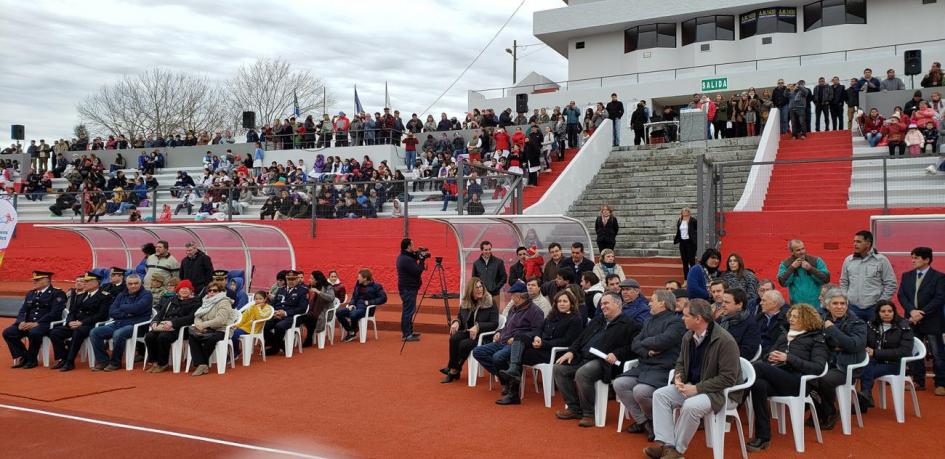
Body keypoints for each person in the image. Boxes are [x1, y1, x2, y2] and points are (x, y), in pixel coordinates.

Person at [646, 299, 741, 459]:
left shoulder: (725, 341)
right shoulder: (688, 336)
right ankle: (667, 445)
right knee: (660, 395)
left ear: (698, 319)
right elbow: (681, 363)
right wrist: (678, 378)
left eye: (685, 315)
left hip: (721, 394)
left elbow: (728, 379)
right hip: (695, 387)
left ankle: (677, 451)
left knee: (690, 406)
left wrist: (697, 388)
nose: (682, 318)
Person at [746, 304, 829, 452]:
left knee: (758, 367)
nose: (791, 319)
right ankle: (763, 437)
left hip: (800, 383)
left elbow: (818, 368)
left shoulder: (816, 339)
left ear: (807, 319)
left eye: (796, 316)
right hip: (779, 377)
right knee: (758, 384)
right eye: (791, 316)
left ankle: (735, 397)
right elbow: (767, 354)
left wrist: (789, 358)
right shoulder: (784, 335)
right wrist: (770, 357)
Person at [553, 292, 640, 426]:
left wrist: (617, 354)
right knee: (559, 368)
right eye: (601, 304)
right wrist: (571, 351)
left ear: (617, 304)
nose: (602, 306)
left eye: (606, 303)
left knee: (583, 373)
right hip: (583, 357)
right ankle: (573, 408)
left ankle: (589, 413)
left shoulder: (630, 324)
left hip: (605, 363)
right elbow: (581, 338)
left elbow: (634, 347)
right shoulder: (598, 320)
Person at [613, 290, 685, 440]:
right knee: (619, 383)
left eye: (652, 300)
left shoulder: (676, 322)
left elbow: (664, 340)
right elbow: (635, 343)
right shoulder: (648, 320)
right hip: (645, 365)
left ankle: (655, 421)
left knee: (641, 391)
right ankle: (646, 422)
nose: (649, 303)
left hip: (663, 368)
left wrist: (644, 342)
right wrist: (648, 351)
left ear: (662, 303)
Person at [471, 281, 544, 404]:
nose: (511, 297)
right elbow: (507, 326)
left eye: (512, 295)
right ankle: (505, 380)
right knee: (478, 352)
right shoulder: (514, 309)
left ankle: (509, 386)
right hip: (502, 341)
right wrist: (499, 331)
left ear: (518, 297)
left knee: (497, 357)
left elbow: (537, 333)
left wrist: (516, 338)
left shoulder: (535, 311)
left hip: (517, 345)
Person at [810, 289, 867, 430]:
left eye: (843, 303)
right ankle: (819, 410)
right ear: (827, 305)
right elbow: (815, 341)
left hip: (847, 366)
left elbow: (853, 346)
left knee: (823, 380)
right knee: (805, 377)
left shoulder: (857, 323)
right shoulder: (820, 319)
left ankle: (829, 413)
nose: (840, 306)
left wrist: (832, 329)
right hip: (826, 362)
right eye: (835, 303)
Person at [897, 246, 945, 393]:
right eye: (912, 257)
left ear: (927, 260)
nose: (913, 261)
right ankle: (918, 380)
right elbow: (902, 295)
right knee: (915, 351)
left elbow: (940, 297)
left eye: (916, 258)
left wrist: (922, 313)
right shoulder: (907, 275)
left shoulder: (939, 277)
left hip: (932, 320)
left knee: (937, 353)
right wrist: (912, 311)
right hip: (912, 319)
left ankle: (941, 383)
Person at [47, 272, 112, 372]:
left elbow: (101, 315)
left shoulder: (104, 296)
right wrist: (69, 322)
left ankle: (70, 361)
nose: (84, 283)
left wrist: (82, 322)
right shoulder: (82, 294)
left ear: (96, 283)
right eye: (84, 281)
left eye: (87, 281)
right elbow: (72, 311)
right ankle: (63, 358)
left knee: (78, 332)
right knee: (54, 332)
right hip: (75, 323)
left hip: (90, 325)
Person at [89, 274, 153, 371]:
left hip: (136, 326)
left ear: (141, 283)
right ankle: (103, 361)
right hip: (118, 323)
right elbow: (112, 311)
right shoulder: (121, 295)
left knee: (118, 334)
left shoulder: (147, 294)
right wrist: (128, 313)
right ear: (126, 284)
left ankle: (115, 362)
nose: (133, 286)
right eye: (130, 284)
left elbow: (137, 308)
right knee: (95, 332)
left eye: (136, 283)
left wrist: (122, 307)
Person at [4, 271, 67, 369]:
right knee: (8, 332)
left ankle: (32, 360)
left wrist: (37, 323)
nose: (34, 281)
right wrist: (21, 322)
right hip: (28, 323)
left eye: (37, 280)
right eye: (34, 280)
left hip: (46, 323)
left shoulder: (57, 293)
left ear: (47, 280)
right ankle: (24, 356)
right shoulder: (31, 293)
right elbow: (23, 310)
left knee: (34, 332)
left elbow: (55, 313)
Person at [858, 300, 914, 411]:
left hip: (894, 363)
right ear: (878, 313)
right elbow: (864, 342)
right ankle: (865, 397)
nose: (886, 313)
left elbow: (904, 351)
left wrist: (876, 352)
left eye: (890, 311)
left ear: (894, 312)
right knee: (864, 366)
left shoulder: (904, 326)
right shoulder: (871, 324)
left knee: (866, 371)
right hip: (874, 361)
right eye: (883, 311)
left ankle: (863, 400)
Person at [441, 277, 498, 383]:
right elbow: (460, 316)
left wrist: (478, 326)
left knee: (464, 344)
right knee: (454, 338)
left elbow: (495, 324)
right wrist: (456, 322)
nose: (480, 289)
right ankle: (454, 369)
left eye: (481, 286)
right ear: (470, 290)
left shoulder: (490, 302)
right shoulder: (466, 301)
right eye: (476, 287)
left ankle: (453, 370)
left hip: (482, 335)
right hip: (468, 332)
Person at [143, 279, 200, 373]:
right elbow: (160, 313)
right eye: (182, 288)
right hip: (164, 325)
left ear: (191, 290)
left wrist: (173, 323)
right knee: (149, 336)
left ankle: (163, 363)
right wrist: (155, 321)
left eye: (187, 288)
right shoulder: (171, 300)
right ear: (178, 290)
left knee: (163, 337)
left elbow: (191, 318)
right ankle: (154, 362)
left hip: (181, 328)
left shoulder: (196, 302)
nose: (184, 290)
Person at [839, 230, 898, 321]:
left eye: (858, 242)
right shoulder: (848, 260)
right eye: (854, 241)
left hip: (873, 308)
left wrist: (881, 303)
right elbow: (844, 282)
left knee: (874, 334)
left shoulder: (881, 260)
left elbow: (891, 284)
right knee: (855, 334)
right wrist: (846, 299)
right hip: (852, 308)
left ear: (868, 243)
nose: (855, 244)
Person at [187, 285, 240, 376]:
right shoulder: (206, 301)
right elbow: (198, 316)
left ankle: (201, 364)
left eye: (215, 290)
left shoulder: (224, 302)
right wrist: (199, 324)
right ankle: (202, 364)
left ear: (220, 292)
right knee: (193, 336)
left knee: (211, 339)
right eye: (209, 290)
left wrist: (203, 325)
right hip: (208, 328)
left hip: (223, 329)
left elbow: (221, 320)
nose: (211, 292)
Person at [263, 270, 309, 353]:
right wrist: (273, 312)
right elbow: (273, 303)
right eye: (289, 279)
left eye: (293, 279)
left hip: (291, 316)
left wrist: (285, 313)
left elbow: (302, 308)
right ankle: (282, 345)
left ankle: (275, 348)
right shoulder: (281, 290)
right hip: (277, 314)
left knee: (279, 327)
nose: (291, 281)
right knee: (264, 325)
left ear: (298, 279)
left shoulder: (303, 291)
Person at [337, 269, 387, 343]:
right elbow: (354, 297)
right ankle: (351, 331)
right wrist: (351, 304)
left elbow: (383, 298)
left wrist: (370, 302)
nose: (357, 278)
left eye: (359, 277)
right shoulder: (358, 285)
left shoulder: (376, 286)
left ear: (365, 278)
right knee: (339, 313)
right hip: (355, 307)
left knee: (353, 315)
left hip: (366, 309)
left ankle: (352, 332)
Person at [778, 239, 830, 306]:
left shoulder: (816, 261)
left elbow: (826, 279)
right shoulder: (786, 264)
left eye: (803, 248)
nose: (802, 252)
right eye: (798, 250)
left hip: (816, 305)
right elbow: (782, 282)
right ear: (792, 251)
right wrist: (792, 268)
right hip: (796, 306)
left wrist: (810, 269)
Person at [396, 238, 427, 342]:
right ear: (408, 246)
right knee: (408, 311)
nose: (413, 247)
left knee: (409, 310)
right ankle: (406, 335)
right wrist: (422, 260)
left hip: (408, 288)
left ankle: (409, 332)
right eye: (412, 245)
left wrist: (418, 253)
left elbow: (413, 256)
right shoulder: (405, 259)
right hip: (408, 289)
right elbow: (417, 270)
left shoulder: (405, 256)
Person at [717, 288, 762, 360]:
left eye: (727, 302)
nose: (723, 305)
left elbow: (747, 353)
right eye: (722, 302)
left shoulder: (751, 325)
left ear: (739, 305)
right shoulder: (720, 320)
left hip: (732, 362)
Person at [232, 291, 274, 358]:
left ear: (265, 299)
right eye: (256, 299)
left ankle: (236, 351)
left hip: (255, 329)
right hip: (245, 327)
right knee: (230, 332)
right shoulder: (251, 307)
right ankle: (233, 351)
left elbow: (260, 317)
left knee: (234, 334)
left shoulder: (267, 308)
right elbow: (244, 318)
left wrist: (257, 307)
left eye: (260, 299)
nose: (258, 301)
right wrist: (236, 325)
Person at [299, 271, 335, 348]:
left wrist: (318, 292)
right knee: (305, 317)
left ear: (317, 280)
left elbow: (331, 298)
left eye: (311, 278)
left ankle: (307, 339)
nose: (309, 280)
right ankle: (308, 339)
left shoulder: (327, 287)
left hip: (323, 313)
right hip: (313, 312)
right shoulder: (310, 287)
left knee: (304, 318)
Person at [472, 240, 506, 308]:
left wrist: (496, 288)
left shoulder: (498, 262)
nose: (488, 251)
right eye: (486, 250)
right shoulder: (476, 264)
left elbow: (504, 277)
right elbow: (474, 279)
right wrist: (479, 290)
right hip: (482, 295)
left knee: (495, 314)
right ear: (481, 250)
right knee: (482, 314)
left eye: (489, 249)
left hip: (495, 295)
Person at [756, 290, 788, 355]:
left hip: (772, 355)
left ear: (774, 303)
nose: (760, 303)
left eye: (764, 300)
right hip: (755, 351)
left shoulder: (786, 320)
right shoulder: (758, 317)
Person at [673, 207, 698, 277]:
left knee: (691, 260)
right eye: (683, 211)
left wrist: (694, 239)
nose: (684, 212)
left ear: (689, 212)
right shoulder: (680, 220)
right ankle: (686, 279)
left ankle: (693, 277)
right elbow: (678, 231)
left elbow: (697, 230)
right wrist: (677, 239)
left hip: (690, 242)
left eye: (686, 211)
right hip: (682, 242)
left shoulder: (693, 220)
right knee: (684, 261)